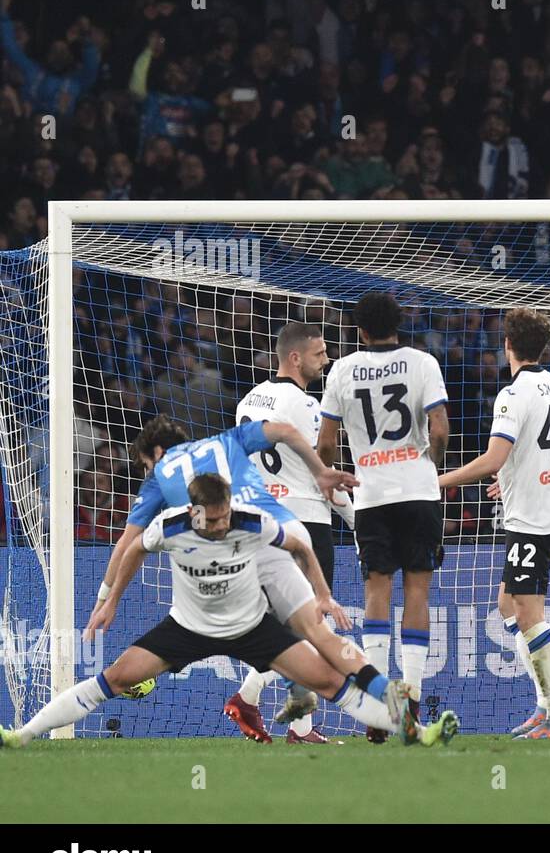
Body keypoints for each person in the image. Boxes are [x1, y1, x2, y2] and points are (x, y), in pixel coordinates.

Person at [3, 474, 455, 749]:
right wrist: (111, 600)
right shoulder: (172, 526)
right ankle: (22, 735)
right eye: (212, 520)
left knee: (330, 680)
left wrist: (320, 593)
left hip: (251, 626)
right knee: (116, 678)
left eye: (224, 517)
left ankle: (414, 730)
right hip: (187, 627)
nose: (220, 526)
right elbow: (133, 550)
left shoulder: (250, 522)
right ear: (195, 512)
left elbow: (299, 544)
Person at [440, 308, 550, 739]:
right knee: (508, 605)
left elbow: (493, 459)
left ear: (507, 346)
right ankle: (545, 709)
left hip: (533, 519)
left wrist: (438, 481)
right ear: (545, 347)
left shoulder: (513, 394)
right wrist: (516, 474)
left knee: (527, 613)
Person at [318, 292, 450, 743]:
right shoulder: (422, 362)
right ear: (400, 323)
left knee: (377, 588)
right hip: (418, 490)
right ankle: (410, 701)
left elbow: (326, 443)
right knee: (418, 588)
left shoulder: (342, 369)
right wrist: (428, 463)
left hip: (369, 493)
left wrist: (328, 473)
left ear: (360, 330)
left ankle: (378, 710)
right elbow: (440, 428)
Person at [229, 322, 355, 743]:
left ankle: (299, 726)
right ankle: (250, 697)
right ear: (296, 357)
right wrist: (360, 521)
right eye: (320, 354)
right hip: (305, 520)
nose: (327, 360)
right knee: (311, 623)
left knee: (291, 626)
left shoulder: (248, 399)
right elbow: (325, 480)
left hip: (262, 522)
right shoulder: (306, 407)